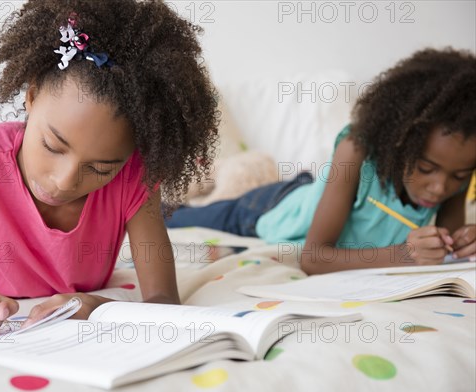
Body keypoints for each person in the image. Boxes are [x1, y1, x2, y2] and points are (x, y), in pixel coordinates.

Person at [0, 0, 219, 341]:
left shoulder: (134, 177)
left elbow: (164, 302)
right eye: (53, 147)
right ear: (32, 96)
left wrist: (93, 308)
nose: (64, 181)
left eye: (100, 169)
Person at [167, 48, 476, 274]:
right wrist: (405, 255)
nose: (440, 188)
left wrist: (460, 243)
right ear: (397, 138)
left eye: (460, 175)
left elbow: (448, 245)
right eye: (425, 169)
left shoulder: (453, 174)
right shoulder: (357, 150)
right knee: (173, 218)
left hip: (312, 191)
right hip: (270, 207)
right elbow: (313, 259)